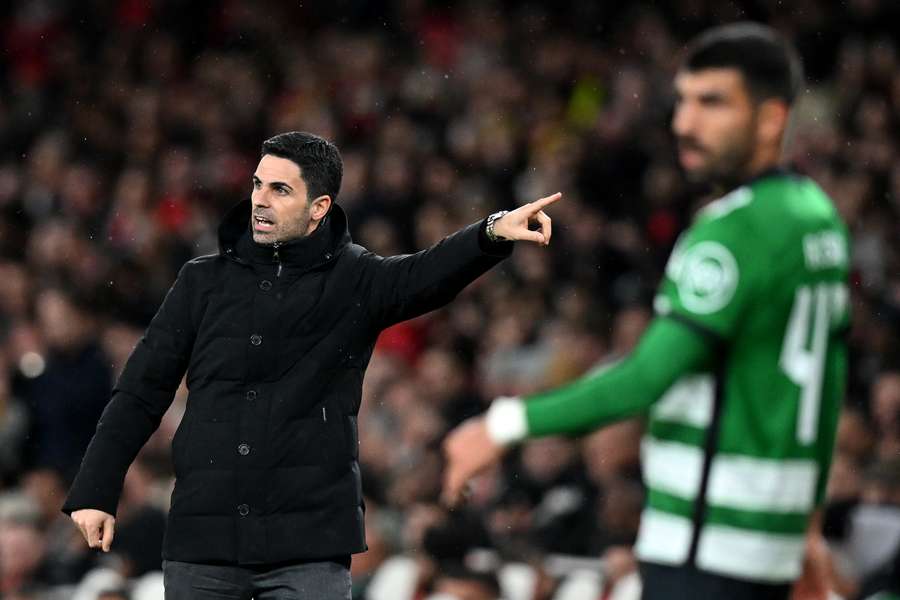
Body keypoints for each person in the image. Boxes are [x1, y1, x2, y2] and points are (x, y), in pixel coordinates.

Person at [443, 22, 850, 600]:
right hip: (771, 541)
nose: (685, 123)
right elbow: (825, 382)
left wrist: (503, 424)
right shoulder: (818, 219)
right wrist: (805, 527)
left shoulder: (729, 235)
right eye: (683, 101)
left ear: (772, 118)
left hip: (705, 542)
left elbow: (646, 378)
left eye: (713, 104)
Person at [62, 131, 561, 599]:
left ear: (319, 207)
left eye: (280, 190)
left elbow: (427, 273)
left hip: (308, 544)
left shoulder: (357, 280)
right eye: (258, 184)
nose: (259, 199)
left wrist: (492, 233)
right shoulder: (201, 283)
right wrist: (96, 487)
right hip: (203, 538)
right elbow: (140, 391)